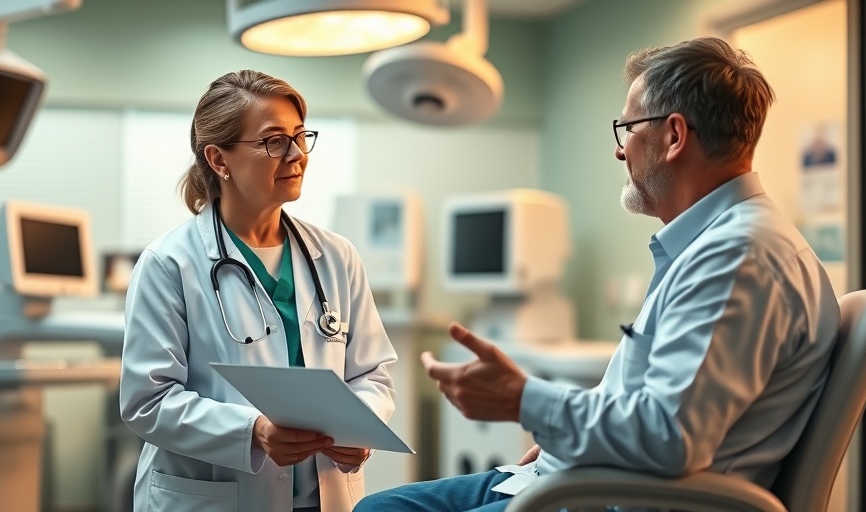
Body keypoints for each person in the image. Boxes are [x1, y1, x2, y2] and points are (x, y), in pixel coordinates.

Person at [355, 36, 840, 512]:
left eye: (627, 128)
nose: (620, 150)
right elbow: (661, 407)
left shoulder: (739, 257)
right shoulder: (718, 247)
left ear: (674, 136)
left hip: (610, 499)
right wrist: (569, 439)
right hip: (581, 478)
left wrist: (524, 399)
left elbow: (670, 437)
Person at [120, 70, 398, 512]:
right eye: (274, 141)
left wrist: (360, 426)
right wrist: (252, 431)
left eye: (300, 136)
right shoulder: (169, 263)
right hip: (214, 498)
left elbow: (373, 373)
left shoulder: (336, 256)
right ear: (219, 159)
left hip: (323, 498)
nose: (296, 154)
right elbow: (148, 402)